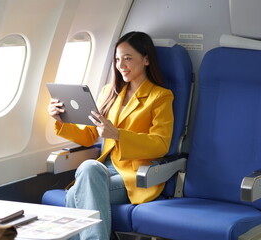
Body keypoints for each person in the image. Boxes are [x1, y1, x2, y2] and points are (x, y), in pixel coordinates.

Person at [47, 31, 174, 240]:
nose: (120, 65)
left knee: (76, 190)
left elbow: (161, 144)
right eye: (117, 59)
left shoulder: (160, 97)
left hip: (134, 175)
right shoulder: (109, 92)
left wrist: (118, 135)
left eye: (127, 58)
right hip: (102, 170)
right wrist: (61, 121)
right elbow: (90, 135)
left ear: (146, 59)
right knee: (90, 170)